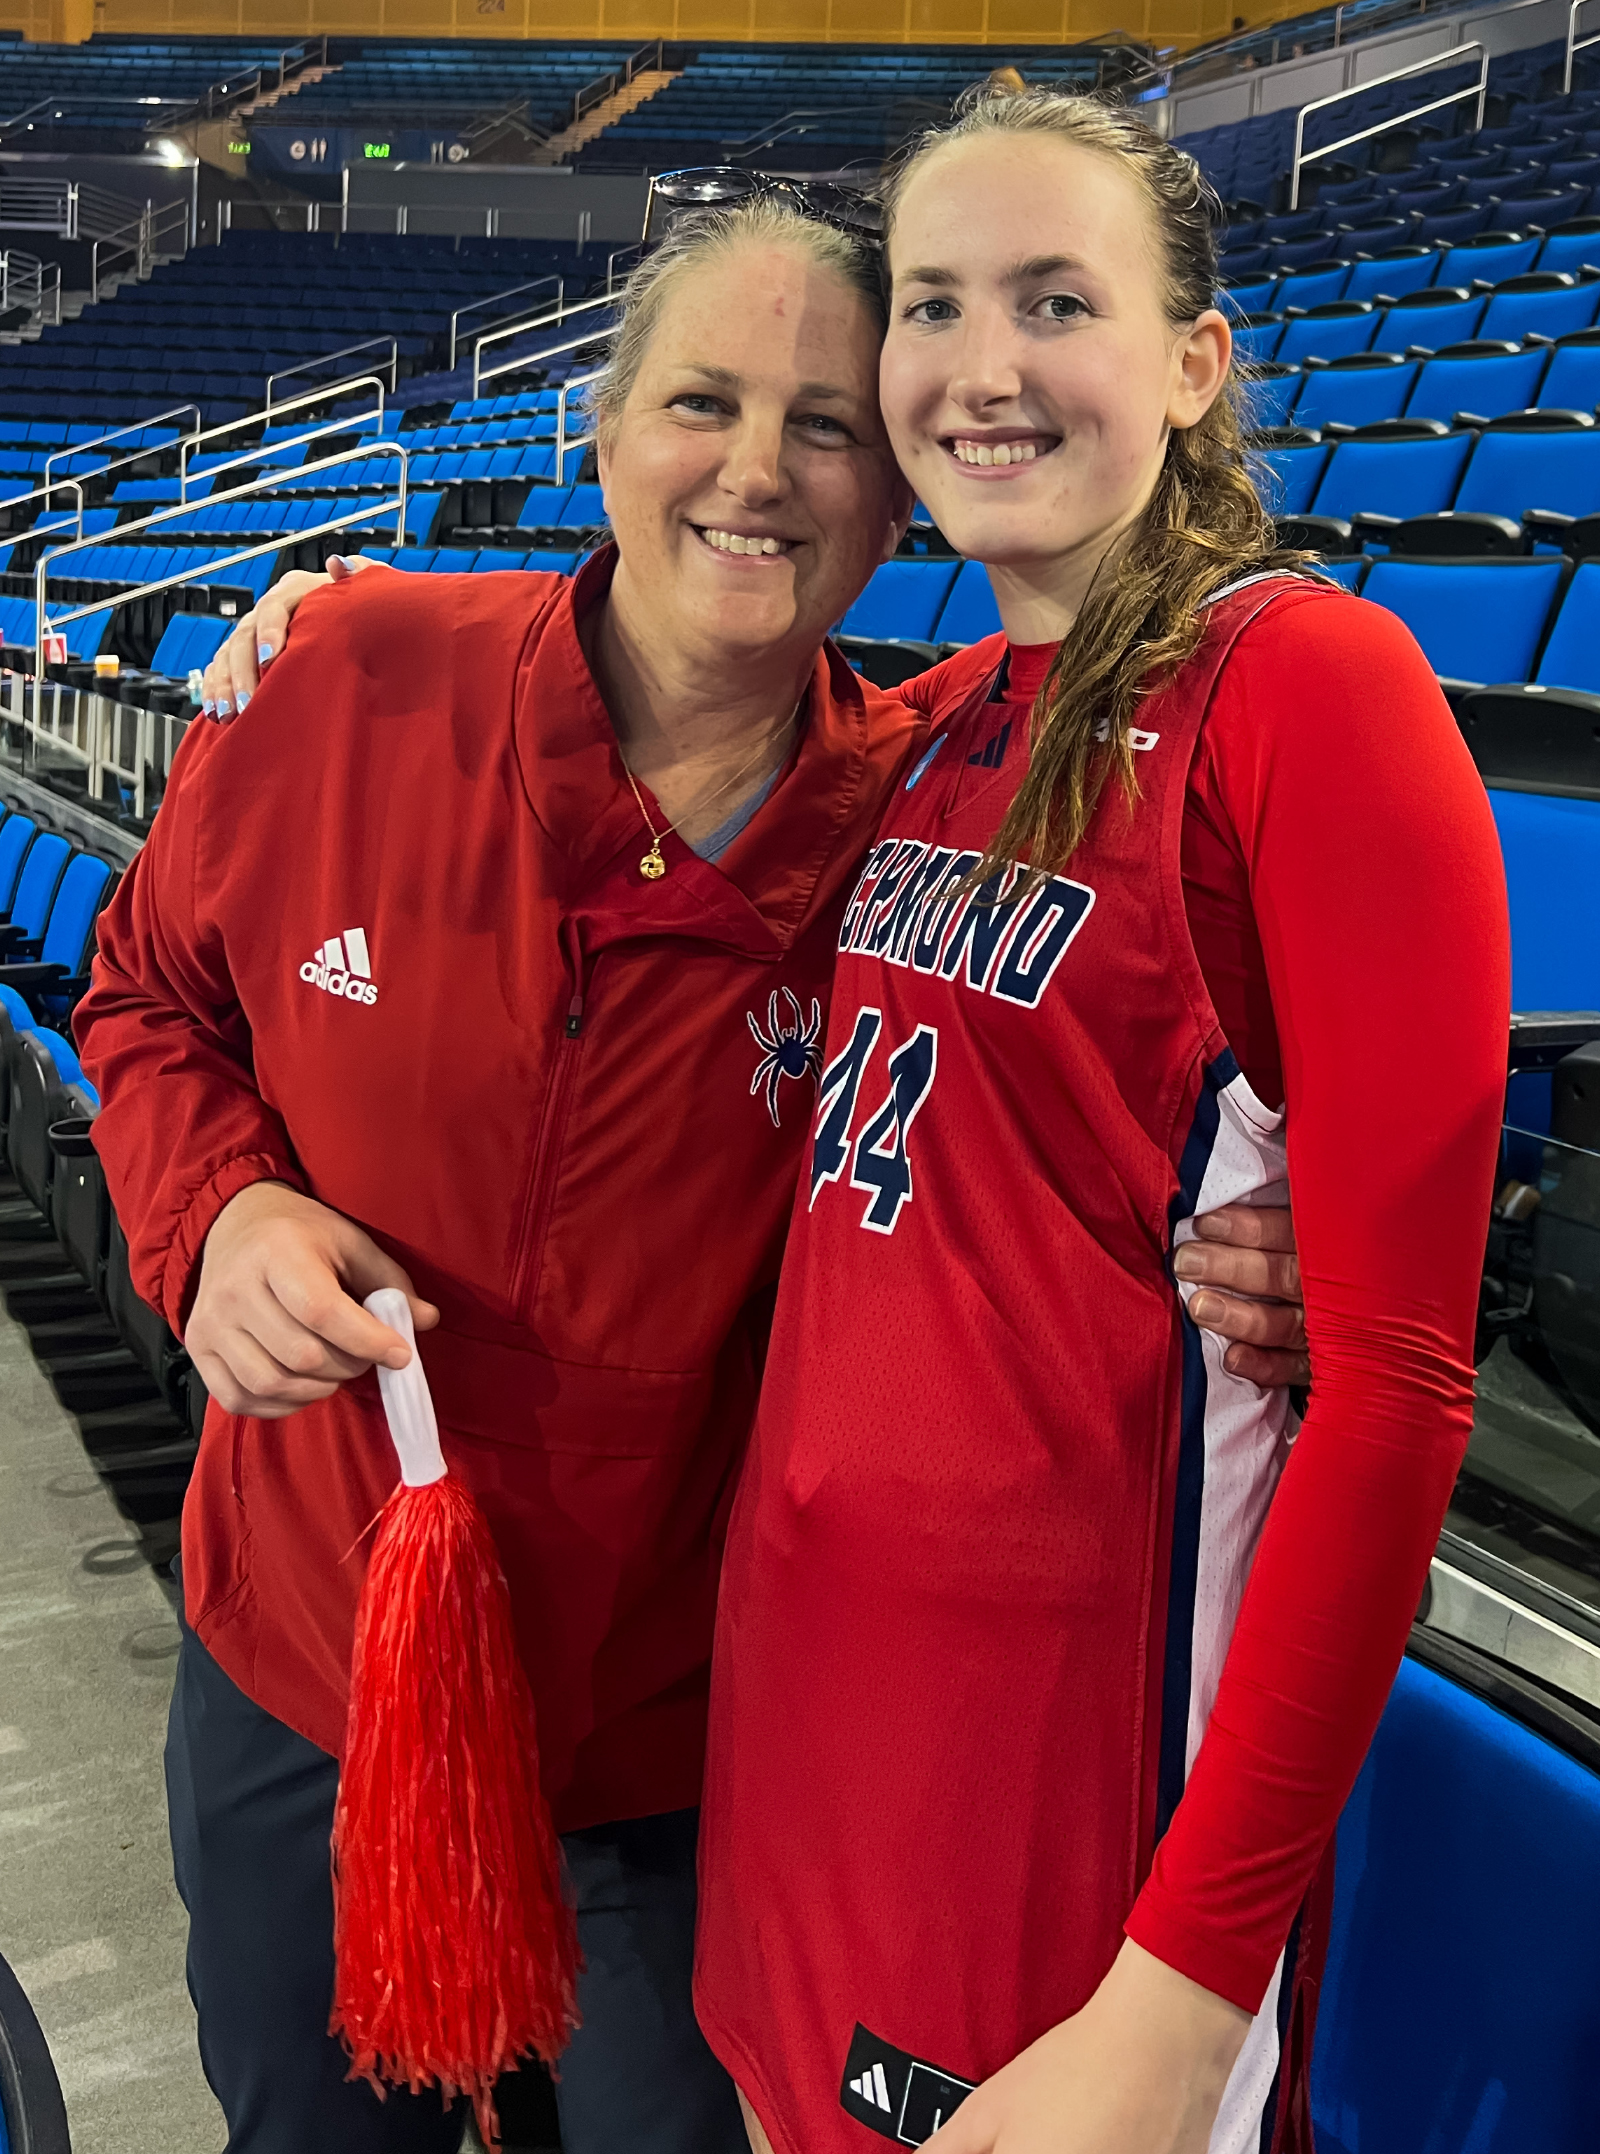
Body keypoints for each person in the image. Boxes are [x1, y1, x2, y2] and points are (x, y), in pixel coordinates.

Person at [78, 194, 1300, 2154]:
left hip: (674, 1746)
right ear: (602, 430)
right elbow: (148, 995)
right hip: (308, 1669)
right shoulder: (345, 677)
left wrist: (1283, 1250)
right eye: (700, 403)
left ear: (894, 495)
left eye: (826, 426)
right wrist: (214, 1209)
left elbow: (1120, 1096)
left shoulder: (926, 832)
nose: (754, 472)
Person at [690, 88, 1509, 2154]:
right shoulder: (940, 716)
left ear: (1192, 360)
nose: (980, 367)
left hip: (1067, 1805)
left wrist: (1181, 1991)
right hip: (810, 1748)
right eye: (933, 303)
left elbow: (1396, 1399)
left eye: (1055, 301)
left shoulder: (1310, 692)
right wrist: (331, 621)